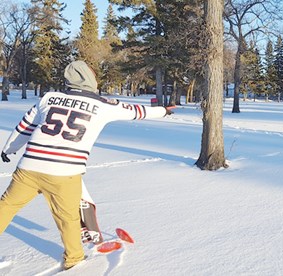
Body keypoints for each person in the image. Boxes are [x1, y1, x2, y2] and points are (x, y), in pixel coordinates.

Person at [0, 60, 174, 270]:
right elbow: (137, 111)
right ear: (90, 79)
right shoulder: (103, 105)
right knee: (68, 219)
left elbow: (25, 127)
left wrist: (8, 149)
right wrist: (163, 111)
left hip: (29, 167)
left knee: (6, 207)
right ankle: (74, 259)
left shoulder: (49, 97)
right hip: (65, 172)